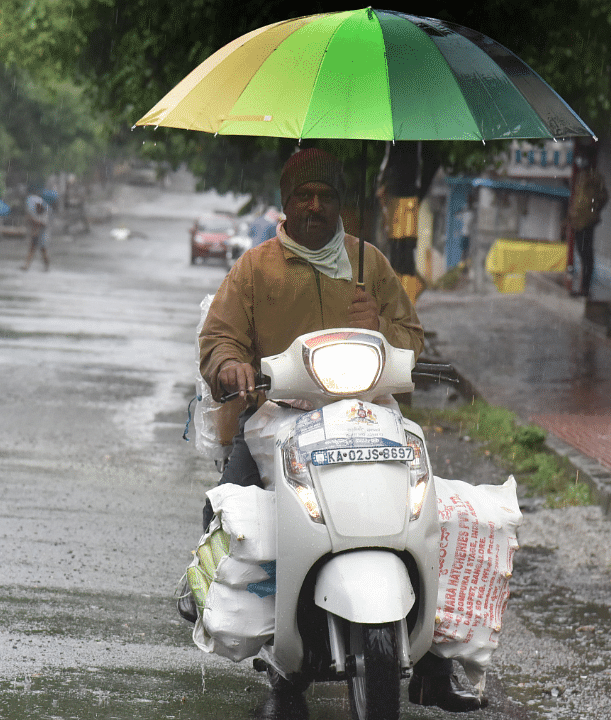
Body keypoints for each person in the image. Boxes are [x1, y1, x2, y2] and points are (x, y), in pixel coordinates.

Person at [189, 148, 486, 713]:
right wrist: (231, 364)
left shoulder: (368, 263)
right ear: (287, 203)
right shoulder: (255, 268)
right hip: (280, 415)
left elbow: (412, 341)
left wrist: (381, 325)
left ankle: (433, 661)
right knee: (232, 508)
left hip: (367, 413)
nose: (316, 206)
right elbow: (220, 337)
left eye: (327, 196)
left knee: (428, 512)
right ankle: (272, 661)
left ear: (342, 204)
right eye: (305, 195)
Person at [569, 152, 608, 297]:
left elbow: (603, 197)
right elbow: (578, 200)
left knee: (586, 254)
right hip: (578, 221)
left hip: (587, 221)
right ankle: (583, 287)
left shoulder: (594, 177)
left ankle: (585, 288)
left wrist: (593, 210)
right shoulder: (580, 177)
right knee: (581, 252)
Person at [20, 186, 50, 271]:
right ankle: (26, 265)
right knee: (31, 249)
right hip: (35, 233)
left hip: (43, 235)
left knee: (43, 251)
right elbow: (31, 223)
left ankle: (46, 266)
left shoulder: (45, 213)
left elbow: (43, 224)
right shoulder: (33, 212)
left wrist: (33, 220)